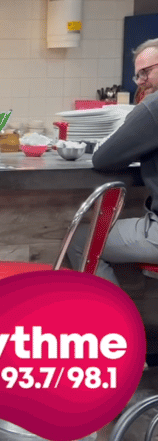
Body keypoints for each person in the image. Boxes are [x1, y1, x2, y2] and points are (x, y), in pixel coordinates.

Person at [67, 38, 158, 285]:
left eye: (146, 72)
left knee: (82, 243)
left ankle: (114, 323)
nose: (141, 81)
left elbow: (104, 159)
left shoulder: (154, 105)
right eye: (138, 75)